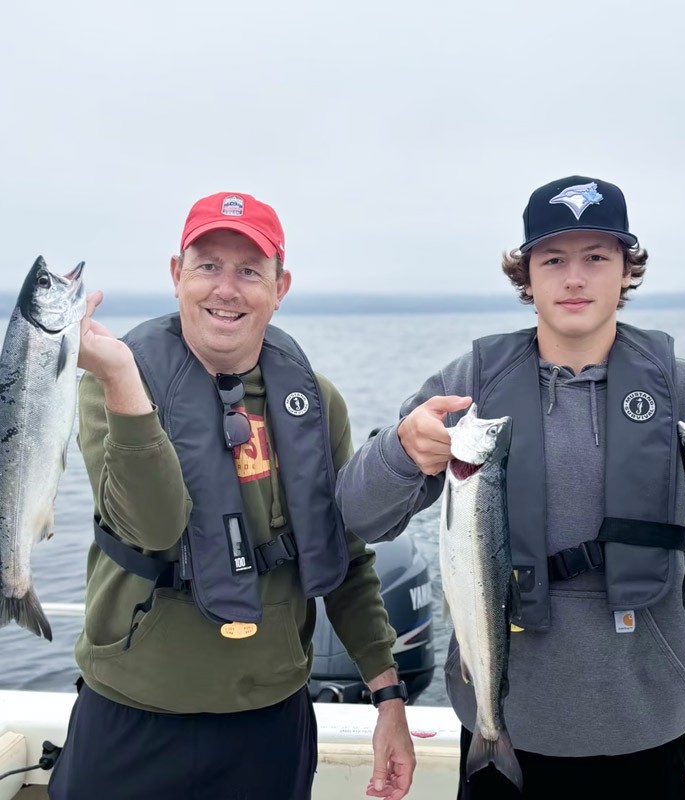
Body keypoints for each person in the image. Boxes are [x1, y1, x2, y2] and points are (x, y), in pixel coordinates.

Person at [334, 175, 685, 799]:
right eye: (553, 260)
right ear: (525, 275)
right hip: (503, 739)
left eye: (596, 259)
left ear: (626, 271)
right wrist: (399, 452)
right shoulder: (469, 388)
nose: (574, 279)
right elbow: (361, 518)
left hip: (655, 734)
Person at [47, 192, 416, 800]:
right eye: (208, 266)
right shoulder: (110, 384)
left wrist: (389, 696)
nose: (227, 288)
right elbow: (152, 529)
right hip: (130, 713)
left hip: (269, 720)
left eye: (249, 270)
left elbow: (344, 555)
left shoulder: (315, 403)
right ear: (176, 276)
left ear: (280, 286)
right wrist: (118, 378)